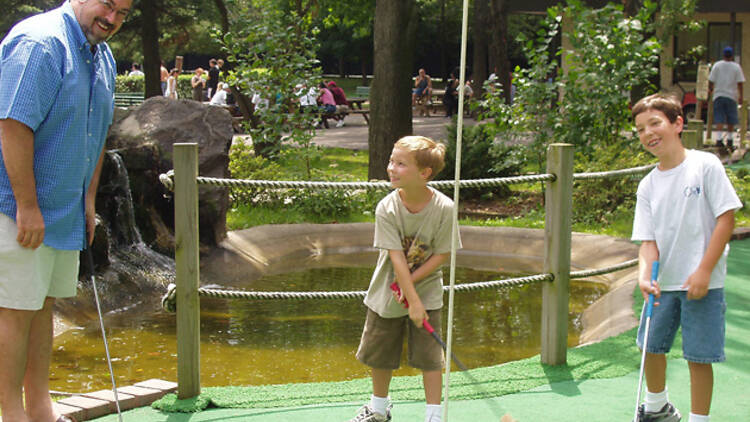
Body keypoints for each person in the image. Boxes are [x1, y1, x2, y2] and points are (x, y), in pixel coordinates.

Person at [0, 0, 131, 421]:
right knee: (14, 311)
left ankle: (40, 407)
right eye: (107, 5)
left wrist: (87, 203)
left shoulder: (103, 57)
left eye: (123, 12)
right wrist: (28, 206)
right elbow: (11, 125)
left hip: (63, 212)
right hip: (17, 210)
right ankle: (10, 414)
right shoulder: (40, 43)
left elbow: (96, 135)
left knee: (41, 309)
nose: (112, 19)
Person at [630, 93, 742, 422]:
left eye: (655, 123)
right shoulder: (648, 185)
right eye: (639, 129)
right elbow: (647, 241)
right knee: (650, 346)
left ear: (677, 124)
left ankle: (699, 419)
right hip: (663, 284)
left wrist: (705, 270)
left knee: (699, 355)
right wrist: (642, 275)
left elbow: (726, 218)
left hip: (702, 282)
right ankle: (656, 407)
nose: (648, 133)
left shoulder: (704, 165)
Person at [348, 136, 460, 422]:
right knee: (380, 353)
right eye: (391, 161)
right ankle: (379, 409)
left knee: (430, 357)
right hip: (387, 291)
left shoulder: (445, 208)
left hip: (428, 293)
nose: (391, 168)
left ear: (424, 174)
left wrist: (414, 297)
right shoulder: (386, 208)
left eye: (400, 164)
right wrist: (407, 294)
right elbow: (396, 257)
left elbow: (443, 254)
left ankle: (434, 415)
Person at [708, 46, 745, 150]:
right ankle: (729, 140)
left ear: (723, 55)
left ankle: (719, 140)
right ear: (732, 55)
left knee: (719, 118)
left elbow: (711, 80)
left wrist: (710, 89)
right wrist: (741, 96)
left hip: (718, 95)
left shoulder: (717, 65)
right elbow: (740, 83)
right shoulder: (736, 67)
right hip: (731, 96)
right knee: (731, 119)